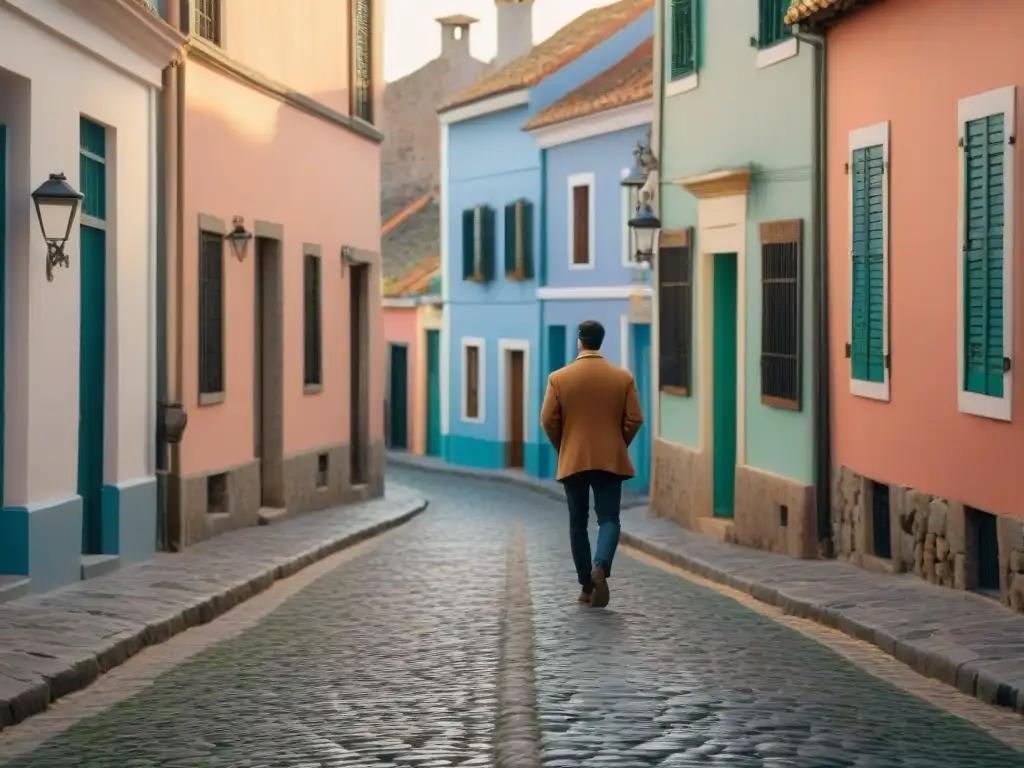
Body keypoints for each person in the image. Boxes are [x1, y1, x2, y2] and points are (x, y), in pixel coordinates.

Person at [540, 320, 644, 608]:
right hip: (610, 458)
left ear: (579, 341)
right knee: (609, 518)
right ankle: (600, 566)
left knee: (578, 522)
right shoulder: (622, 377)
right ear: (601, 341)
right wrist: (617, 443)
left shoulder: (558, 378)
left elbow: (548, 419)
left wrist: (564, 446)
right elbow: (635, 418)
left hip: (573, 458)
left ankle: (586, 586)